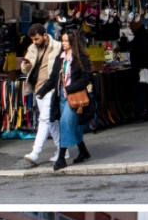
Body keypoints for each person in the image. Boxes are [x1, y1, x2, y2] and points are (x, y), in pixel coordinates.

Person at [37, 29, 94, 171]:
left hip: (75, 97)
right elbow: (53, 79)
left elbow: (87, 77)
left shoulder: (81, 57)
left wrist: (70, 88)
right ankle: (83, 151)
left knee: (64, 123)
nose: (63, 43)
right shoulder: (60, 58)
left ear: (72, 42)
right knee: (73, 125)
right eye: (62, 40)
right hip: (62, 97)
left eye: (66, 41)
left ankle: (61, 158)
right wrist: (41, 92)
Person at [20, 23, 63, 166]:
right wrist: (25, 67)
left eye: (37, 39)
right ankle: (62, 149)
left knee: (44, 119)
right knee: (52, 122)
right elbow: (25, 70)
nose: (34, 42)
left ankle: (35, 152)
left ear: (45, 35)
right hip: (38, 89)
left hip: (51, 88)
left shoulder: (57, 46)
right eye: (32, 39)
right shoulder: (32, 48)